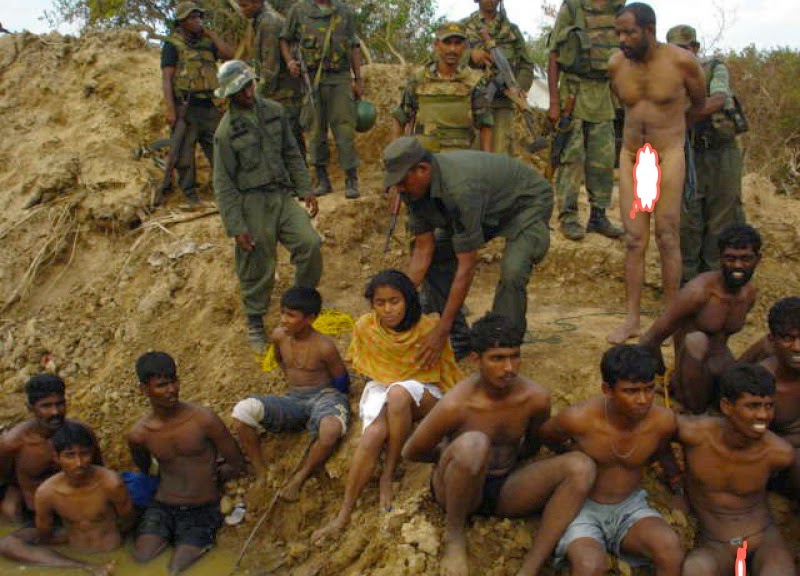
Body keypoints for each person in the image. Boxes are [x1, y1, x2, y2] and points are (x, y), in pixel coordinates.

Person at [403, 314, 596, 576]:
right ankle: (455, 536)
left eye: (514, 356)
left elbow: (534, 444)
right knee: (474, 444)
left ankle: (531, 567)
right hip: (456, 492)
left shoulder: (534, 398)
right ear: (476, 359)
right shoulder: (457, 403)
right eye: (497, 358)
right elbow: (412, 450)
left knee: (581, 467)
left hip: (506, 487)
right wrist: (455, 459)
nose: (509, 368)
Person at [312, 270, 462, 542]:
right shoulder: (366, 327)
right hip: (383, 386)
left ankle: (388, 473)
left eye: (394, 301)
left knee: (399, 393)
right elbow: (366, 367)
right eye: (380, 303)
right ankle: (344, 513)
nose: (388, 309)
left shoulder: (429, 328)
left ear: (408, 300)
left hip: (424, 391)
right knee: (372, 435)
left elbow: (445, 371)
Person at [382, 136, 553, 361]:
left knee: (513, 271)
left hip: (525, 204)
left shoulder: (460, 189)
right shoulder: (412, 190)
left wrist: (441, 329)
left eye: (402, 181)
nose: (399, 188)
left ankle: (501, 348)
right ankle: (459, 340)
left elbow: (467, 266)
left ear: (423, 169)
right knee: (437, 258)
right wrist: (399, 298)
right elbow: (424, 249)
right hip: (486, 208)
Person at [606, 2, 706, 345]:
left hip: (667, 154)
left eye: (629, 32)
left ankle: (669, 319)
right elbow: (624, 107)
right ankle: (632, 320)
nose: (622, 39)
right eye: (619, 33)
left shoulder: (682, 62)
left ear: (649, 30)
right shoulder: (616, 65)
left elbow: (700, 104)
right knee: (634, 239)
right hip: (633, 155)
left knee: (667, 235)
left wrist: (673, 133)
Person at [540, 344, 683, 575]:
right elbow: (547, 434)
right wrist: (570, 455)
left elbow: (663, 450)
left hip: (630, 507)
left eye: (649, 389)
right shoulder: (580, 418)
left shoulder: (662, 421)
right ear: (607, 390)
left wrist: (677, 486)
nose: (643, 399)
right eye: (631, 391)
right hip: (581, 509)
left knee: (670, 549)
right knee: (589, 565)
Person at [212, 60, 321, 351]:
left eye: (249, 85)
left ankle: (303, 305)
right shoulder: (226, 132)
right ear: (230, 94)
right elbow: (223, 183)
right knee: (257, 262)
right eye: (240, 90)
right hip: (252, 202)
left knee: (309, 243)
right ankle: (255, 321)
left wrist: (305, 188)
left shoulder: (275, 111)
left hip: (282, 195)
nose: (248, 93)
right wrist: (236, 226)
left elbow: (291, 152)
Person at [665, 364, 796, 575]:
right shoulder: (695, 434)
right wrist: (676, 483)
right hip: (715, 545)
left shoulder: (779, 454)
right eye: (753, 406)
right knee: (694, 570)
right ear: (726, 406)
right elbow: (654, 430)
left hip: (763, 541)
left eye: (769, 406)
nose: (763, 415)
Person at [128, 351, 245, 575]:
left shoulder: (203, 420)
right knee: (141, 559)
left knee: (176, 570)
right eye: (162, 385)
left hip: (202, 509)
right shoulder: (139, 435)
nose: (171, 390)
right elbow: (146, 470)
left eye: (173, 381)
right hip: (162, 507)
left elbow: (236, 462)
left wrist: (214, 477)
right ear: (144, 390)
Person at [232, 286, 350, 501]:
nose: (284, 320)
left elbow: (341, 380)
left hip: (323, 396)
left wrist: (332, 405)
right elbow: (280, 360)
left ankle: (300, 477)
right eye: (283, 313)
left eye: (291, 315)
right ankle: (262, 473)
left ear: (310, 319)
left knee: (330, 429)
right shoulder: (279, 337)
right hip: (294, 399)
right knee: (242, 412)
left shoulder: (324, 346)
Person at [639, 223, 761, 414]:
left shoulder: (749, 294)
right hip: (691, 377)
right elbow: (649, 340)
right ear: (720, 258)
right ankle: (696, 413)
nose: (738, 265)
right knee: (696, 340)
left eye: (745, 259)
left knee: (770, 344)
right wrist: (663, 376)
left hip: (723, 371)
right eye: (730, 258)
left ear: (758, 259)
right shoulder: (698, 292)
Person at [0, 376, 106, 575]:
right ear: (30, 407)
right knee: (8, 544)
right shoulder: (12, 444)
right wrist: (13, 496)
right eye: (46, 406)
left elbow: (99, 473)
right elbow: (4, 478)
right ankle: (83, 566)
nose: (55, 412)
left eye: (60, 404)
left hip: (79, 509)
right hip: (40, 517)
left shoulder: (81, 434)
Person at [0, 422, 133, 576]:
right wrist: (73, 532)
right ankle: (83, 566)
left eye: (85, 454)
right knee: (7, 544)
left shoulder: (111, 483)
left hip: (111, 552)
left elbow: (128, 520)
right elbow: (46, 533)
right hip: (74, 552)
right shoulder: (47, 492)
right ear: (56, 457)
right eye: (70, 455)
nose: (79, 463)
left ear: (92, 453)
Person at [667, 25, 746, 283]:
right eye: (674, 49)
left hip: (721, 153)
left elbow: (719, 99)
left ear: (695, 48)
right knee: (687, 222)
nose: (681, 54)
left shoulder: (713, 68)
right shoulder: (666, 76)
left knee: (722, 219)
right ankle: (687, 286)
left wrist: (684, 119)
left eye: (685, 48)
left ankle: (715, 282)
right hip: (688, 154)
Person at [547, 0, 624, 241]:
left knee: (603, 158)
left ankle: (598, 216)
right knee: (571, 157)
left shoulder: (619, 9)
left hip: (603, 92)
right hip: (574, 91)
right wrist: (554, 101)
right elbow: (554, 53)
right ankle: (568, 217)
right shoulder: (573, 7)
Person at [280, 0, 362, 198]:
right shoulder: (299, 10)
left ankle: (351, 179)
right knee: (316, 130)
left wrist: (358, 79)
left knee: (345, 129)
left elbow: (354, 46)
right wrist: (290, 62)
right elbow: (284, 39)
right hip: (311, 79)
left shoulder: (344, 11)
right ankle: (322, 179)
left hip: (340, 78)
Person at [161, 1, 232, 207]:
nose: (198, 21)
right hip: (185, 106)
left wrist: (212, 35)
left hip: (208, 105)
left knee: (220, 148)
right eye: (192, 18)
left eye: (199, 17)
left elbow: (229, 55)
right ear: (181, 22)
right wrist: (170, 110)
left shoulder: (207, 42)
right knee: (185, 154)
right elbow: (167, 78)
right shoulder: (172, 45)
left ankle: (224, 190)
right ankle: (190, 196)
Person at [390, 22, 493, 153]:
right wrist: (396, 156)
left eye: (457, 43)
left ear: (465, 47)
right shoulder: (419, 80)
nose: (452, 49)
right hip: (425, 158)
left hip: (461, 158)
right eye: (447, 43)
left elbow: (485, 125)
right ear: (437, 45)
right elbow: (400, 118)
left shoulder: (474, 82)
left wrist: (486, 159)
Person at [462, 0, 535, 156]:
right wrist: (469, 55)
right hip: (471, 106)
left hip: (502, 106)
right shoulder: (463, 27)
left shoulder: (511, 31)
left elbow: (526, 64)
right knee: (472, 157)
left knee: (500, 156)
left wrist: (518, 87)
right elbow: (443, 57)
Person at [238, 0, 306, 158]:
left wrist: (255, 97)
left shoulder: (269, 23)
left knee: (288, 144)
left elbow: (270, 69)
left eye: (245, 6)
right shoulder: (260, 21)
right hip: (280, 93)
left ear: (257, 3)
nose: (241, 11)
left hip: (284, 95)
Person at [759, 297, 800, 495]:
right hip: (783, 465)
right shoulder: (763, 383)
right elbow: (752, 441)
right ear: (772, 340)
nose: (797, 347)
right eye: (788, 338)